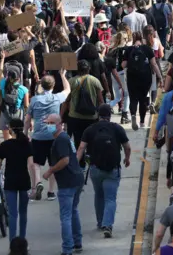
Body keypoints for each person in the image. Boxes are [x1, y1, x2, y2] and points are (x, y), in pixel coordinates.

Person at [76, 104, 131, 238]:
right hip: (113, 169)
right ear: (110, 115)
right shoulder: (117, 128)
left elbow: (81, 148)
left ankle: (100, 222)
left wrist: (76, 165)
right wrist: (127, 158)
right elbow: (127, 146)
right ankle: (108, 225)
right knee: (110, 198)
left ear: (98, 115)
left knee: (98, 195)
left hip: (95, 169)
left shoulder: (90, 130)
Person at [24, 72, 71, 201]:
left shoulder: (34, 99)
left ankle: (37, 183)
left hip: (38, 134)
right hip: (52, 134)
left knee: (36, 163)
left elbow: (28, 119)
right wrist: (62, 75)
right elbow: (68, 90)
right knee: (53, 163)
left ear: (41, 85)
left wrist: (25, 133)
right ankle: (51, 192)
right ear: (53, 85)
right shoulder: (57, 98)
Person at [43, 114, 84, 255]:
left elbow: (65, 160)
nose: (48, 125)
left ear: (59, 124)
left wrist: (50, 171)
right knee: (73, 211)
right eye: (47, 122)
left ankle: (67, 248)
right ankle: (77, 242)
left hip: (68, 182)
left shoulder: (60, 140)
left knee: (66, 215)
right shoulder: (65, 138)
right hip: (76, 179)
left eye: (51, 123)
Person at [0, 118, 33, 243]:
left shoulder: (5, 145)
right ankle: (22, 240)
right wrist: (35, 183)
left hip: (10, 181)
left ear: (11, 129)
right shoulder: (27, 144)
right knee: (23, 213)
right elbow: (31, 165)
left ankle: (13, 243)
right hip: (24, 180)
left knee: (13, 214)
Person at [122, 31, 163, 130]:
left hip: (132, 77)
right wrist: (160, 77)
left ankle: (132, 115)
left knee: (133, 98)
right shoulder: (147, 49)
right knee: (143, 99)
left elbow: (123, 65)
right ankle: (142, 122)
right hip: (145, 78)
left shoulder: (129, 49)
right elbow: (154, 64)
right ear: (142, 38)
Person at [63, 59, 104, 153]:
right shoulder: (95, 80)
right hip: (92, 117)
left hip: (75, 116)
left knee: (78, 140)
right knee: (91, 139)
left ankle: (80, 162)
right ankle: (89, 158)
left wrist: (61, 116)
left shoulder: (71, 81)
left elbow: (66, 101)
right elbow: (101, 100)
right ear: (89, 69)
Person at [0, 70, 30, 141]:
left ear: (8, 77)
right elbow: (26, 105)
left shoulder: (2, 83)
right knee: (17, 136)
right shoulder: (24, 89)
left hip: (5, 113)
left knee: (6, 138)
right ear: (18, 78)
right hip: (17, 114)